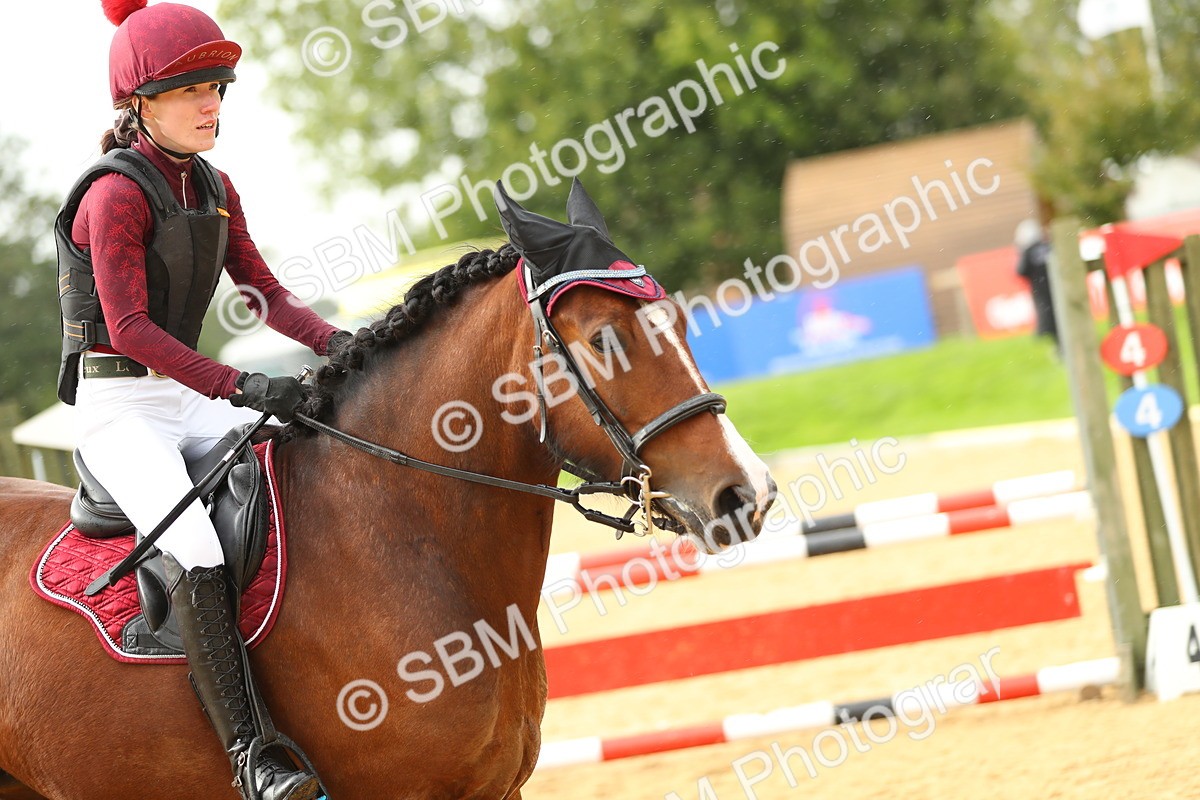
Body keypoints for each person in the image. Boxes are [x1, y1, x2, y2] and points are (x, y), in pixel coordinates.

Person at [55, 2, 347, 797]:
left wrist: (346, 345)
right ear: (140, 104)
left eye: (218, 84)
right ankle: (253, 757)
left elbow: (270, 296)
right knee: (200, 547)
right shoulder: (115, 196)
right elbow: (133, 330)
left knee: (312, 456)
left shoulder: (216, 187)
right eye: (191, 89)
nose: (213, 102)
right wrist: (244, 384)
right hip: (119, 408)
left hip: (185, 396)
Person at [1014, 218, 1058, 346]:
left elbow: (1021, 271)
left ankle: (1058, 347)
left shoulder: (1028, 251)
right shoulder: (1048, 246)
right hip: (1055, 289)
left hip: (1041, 292)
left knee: (1049, 319)